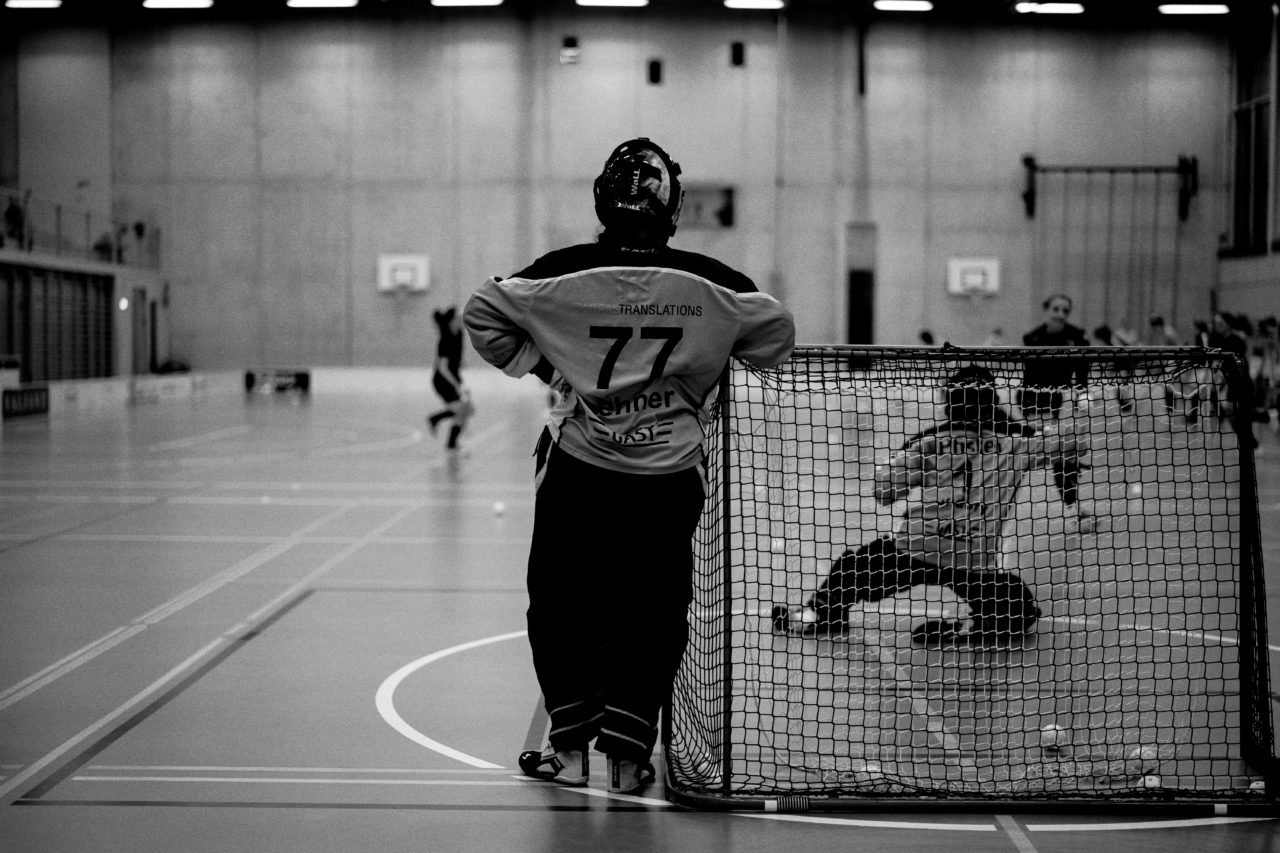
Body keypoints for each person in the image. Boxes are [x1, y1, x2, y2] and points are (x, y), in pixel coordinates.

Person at [463, 138, 795, 794]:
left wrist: (551, 364)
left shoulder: (561, 273)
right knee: (656, 607)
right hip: (669, 478)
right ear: (670, 208)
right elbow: (775, 336)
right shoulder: (715, 283)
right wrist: (697, 369)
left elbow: (483, 313)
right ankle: (626, 754)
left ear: (602, 199)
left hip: (580, 471)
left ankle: (570, 742)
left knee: (560, 603)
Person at [773, 365, 1090, 645]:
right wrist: (1036, 427)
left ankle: (817, 614)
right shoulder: (1014, 446)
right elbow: (1075, 443)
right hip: (972, 557)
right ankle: (967, 628)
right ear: (992, 405)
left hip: (915, 548)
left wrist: (896, 462)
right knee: (1017, 608)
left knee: (851, 569)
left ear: (948, 403)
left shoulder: (926, 443)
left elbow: (883, 493)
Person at [1020, 294, 1090, 506]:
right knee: (1051, 451)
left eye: (1065, 310)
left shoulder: (1077, 337)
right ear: (1046, 309)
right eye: (1056, 309)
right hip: (1037, 403)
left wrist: (1083, 393)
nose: (1060, 314)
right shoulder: (1031, 338)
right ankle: (1072, 505)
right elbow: (1029, 377)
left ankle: (1071, 504)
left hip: (1066, 399)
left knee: (1068, 453)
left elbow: (1083, 369)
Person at [426, 306, 472, 450]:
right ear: (452, 321)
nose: (461, 319)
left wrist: (461, 366)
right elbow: (442, 368)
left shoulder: (459, 334)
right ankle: (435, 420)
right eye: (458, 317)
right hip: (442, 380)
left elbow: (457, 357)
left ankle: (451, 442)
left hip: (453, 377)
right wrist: (456, 385)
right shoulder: (445, 339)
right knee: (462, 409)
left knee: (468, 409)